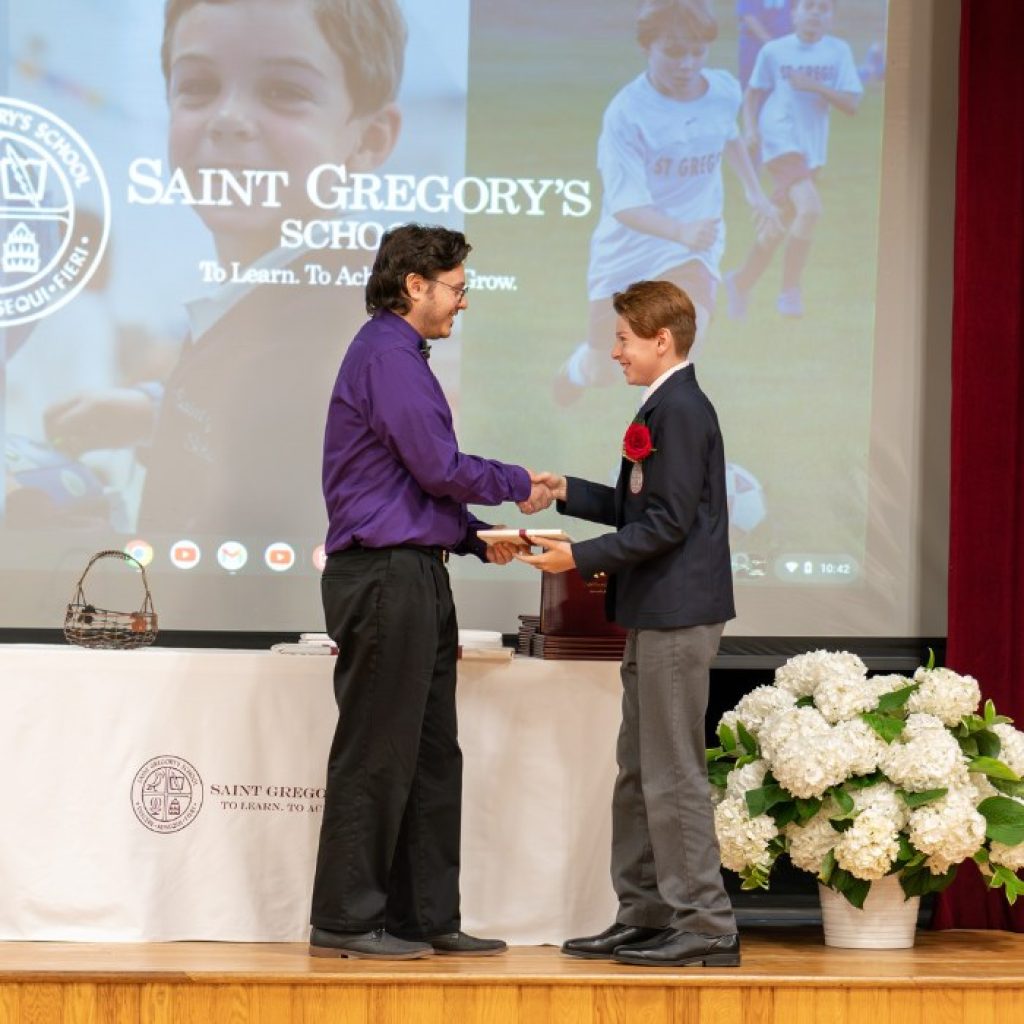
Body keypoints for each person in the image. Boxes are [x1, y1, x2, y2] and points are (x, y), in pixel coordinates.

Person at [43, 0, 406, 538]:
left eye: (285, 91)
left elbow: (263, 487)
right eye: (198, 86)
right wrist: (153, 411)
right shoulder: (270, 294)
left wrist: (55, 538)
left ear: (369, 139)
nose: (228, 119)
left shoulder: (345, 330)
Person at [310, 223, 547, 960]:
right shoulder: (387, 355)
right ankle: (346, 920)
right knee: (378, 750)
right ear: (416, 285)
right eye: (457, 288)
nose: (462, 303)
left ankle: (424, 916)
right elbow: (437, 465)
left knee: (433, 753)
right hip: (384, 578)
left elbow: (414, 483)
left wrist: (474, 536)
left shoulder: (399, 355)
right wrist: (518, 485)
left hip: (412, 571)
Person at [522, 279, 739, 968]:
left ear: (660, 341)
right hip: (655, 613)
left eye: (622, 339)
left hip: (678, 615)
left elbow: (668, 524)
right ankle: (646, 912)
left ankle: (703, 921)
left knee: (672, 772)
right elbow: (638, 505)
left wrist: (574, 557)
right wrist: (567, 492)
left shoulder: (681, 409)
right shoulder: (667, 404)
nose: (613, 352)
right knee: (638, 769)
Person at [553, 0, 778, 406]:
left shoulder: (723, 89)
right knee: (605, 368)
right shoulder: (627, 113)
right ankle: (578, 368)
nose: (688, 63)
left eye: (698, 52)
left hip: (693, 250)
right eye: (674, 53)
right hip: (627, 252)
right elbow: (623, 205)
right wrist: (680, 229)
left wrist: (754, 193)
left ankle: (650, 458)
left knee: (676, 350)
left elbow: (728, 136)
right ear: (647, 47)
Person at [725, 0, 862, 319]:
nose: (815, 12)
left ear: (832, 18)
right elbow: (754, 93)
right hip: (779, 138)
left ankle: (740, 282)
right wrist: (751, 128)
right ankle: (789, 292)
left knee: (778, 226)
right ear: (794, 13)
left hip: (811, 147)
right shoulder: (775, 51)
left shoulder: (838, 52)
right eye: (808, 6)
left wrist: (815, 86)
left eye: (824, 8)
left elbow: (852, 103)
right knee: (811, 209)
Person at [736, 0, 793, 89]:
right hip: (754, 46)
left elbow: (797, 9)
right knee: (752, 86)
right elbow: (748, 16)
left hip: (785, 45)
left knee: (783, 86)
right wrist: (771, 44)